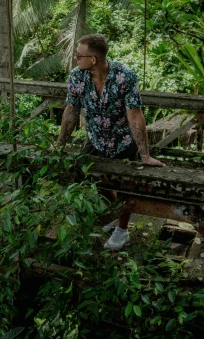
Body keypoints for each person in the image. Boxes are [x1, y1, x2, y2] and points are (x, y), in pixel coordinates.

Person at [57, 34, 165, 251]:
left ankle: (122, 230)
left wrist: (145, 154)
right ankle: (113, 214)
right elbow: (71, 111)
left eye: (79, 55)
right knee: (92, 177)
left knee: (126, 185)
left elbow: (135, 114)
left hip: (123, 140)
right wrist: (59, 145)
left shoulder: (125, 76)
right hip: (96, 138)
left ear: (93, 59)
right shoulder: (77, 77)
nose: (76, 58)